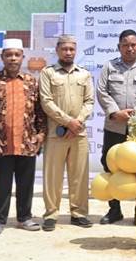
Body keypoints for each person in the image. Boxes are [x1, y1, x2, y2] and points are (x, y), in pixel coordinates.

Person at [0, 38, 47, 235]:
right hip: (1, 143)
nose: (13, 58)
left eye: (16, 55)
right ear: (2, 57)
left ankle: (25, 217)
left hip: (27, 142)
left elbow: (40, 112)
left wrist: (41, 134)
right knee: (1, 183)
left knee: (26, 183)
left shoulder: (31, 82)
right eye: (9, 55)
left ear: (22, 58)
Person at [97, 29, 136, 225]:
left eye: (133, 45)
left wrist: (134, 115)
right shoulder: (109, 67)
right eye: (125, 45)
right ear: (119, 47)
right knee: (110, 165)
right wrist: (115, 112)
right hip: (114, 127)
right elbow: (102, 92)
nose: (130, 48)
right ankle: (114, 210)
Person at [39, 35, 95, 231]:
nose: (68, 52)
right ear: (57, 50)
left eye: (72, 49)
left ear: (76, 50)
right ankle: (51, 214)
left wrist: (77, 122)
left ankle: (78, 213)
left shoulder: (84, 74)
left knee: (79, 175)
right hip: (57, 133)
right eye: (65, 49)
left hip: (78, 133)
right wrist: (67, 121)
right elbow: (46, 101)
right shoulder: (48, 73)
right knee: (52, 176)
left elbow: (89, 101)